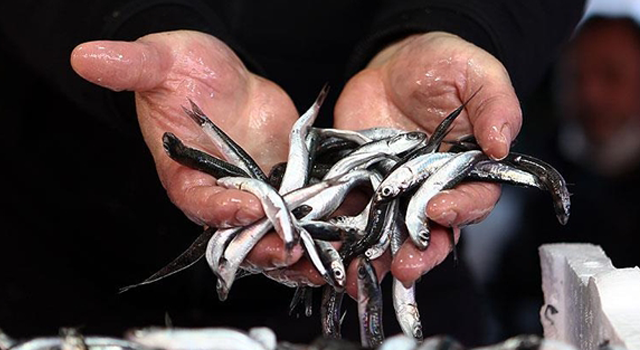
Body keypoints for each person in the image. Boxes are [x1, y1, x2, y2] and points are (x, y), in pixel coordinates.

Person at [0, 1, 584, 345]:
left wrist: (463, 21)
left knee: (388, 307)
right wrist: (136, 15)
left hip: (392, 265)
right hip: (66, 242)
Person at [489, 13, 640, 338]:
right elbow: (510, 286)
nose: (591, 95)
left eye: (611, 76)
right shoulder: (539, 170)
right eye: (575, 78)